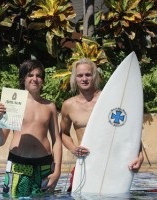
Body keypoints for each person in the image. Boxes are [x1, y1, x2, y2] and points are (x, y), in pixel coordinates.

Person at [60, 58, 144, 192]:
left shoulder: (109, 101)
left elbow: (130, 131)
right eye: (80, 75)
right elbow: (63, 133)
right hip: (86, 164)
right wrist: (73, 149)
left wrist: (140, 157)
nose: (84, 79)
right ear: (74, 78)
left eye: (88, 74)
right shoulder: (69, 105)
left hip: (112, 165)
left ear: (94, 76)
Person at [0, 60, 62, 198]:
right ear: (23, 78)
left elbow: (57, 141)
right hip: (18, 164)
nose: (35, 79)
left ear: (43, 80)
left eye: (39, 75)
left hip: (44, 165)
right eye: (30, 75)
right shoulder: (12, 104)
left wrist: (58, 170)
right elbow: (0, 141)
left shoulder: (49, 106)